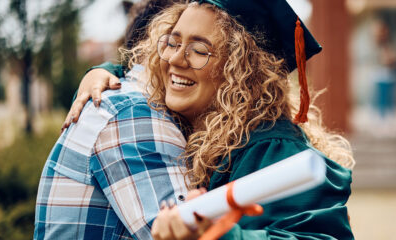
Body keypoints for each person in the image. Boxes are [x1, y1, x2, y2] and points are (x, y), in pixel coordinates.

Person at [64, 0, 356, 239]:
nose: (176, 60)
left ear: (243, 73)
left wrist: (220, 236)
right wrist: (105, 71)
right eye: (172, 43)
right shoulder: (201, 130)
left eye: (200, 50)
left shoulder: (273, 148)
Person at [34, 1, 190, 240]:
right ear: (153, 45)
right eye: (174, 44)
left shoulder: (127, 103)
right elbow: (183, 233)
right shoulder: (136, 115)